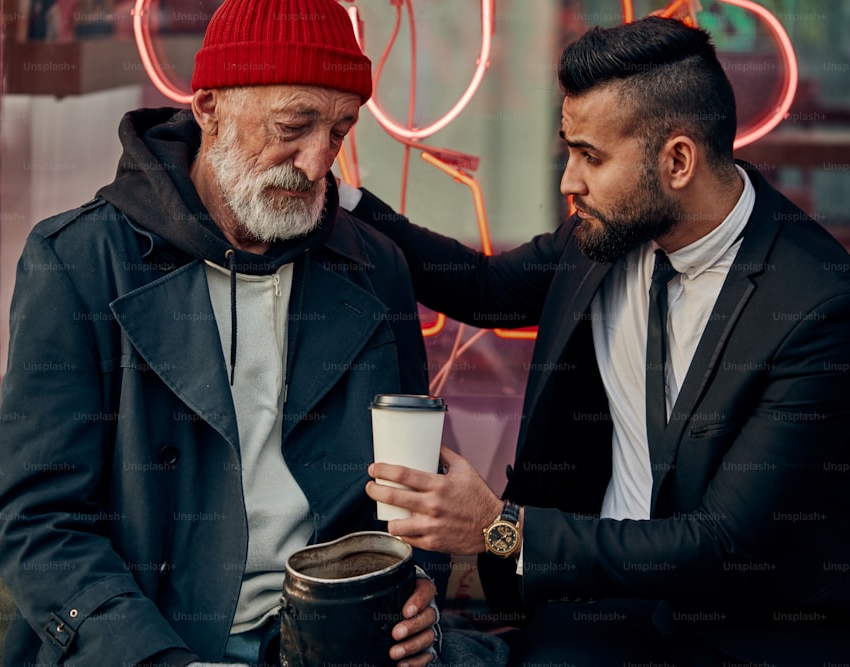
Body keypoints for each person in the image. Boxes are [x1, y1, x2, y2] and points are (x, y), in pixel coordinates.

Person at [343, 16, 850, 666]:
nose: (567, 182)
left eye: (591, 157)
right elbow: (482, 285)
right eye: (567, 151)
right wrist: (342, 198)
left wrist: (500, 527)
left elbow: (724, 546)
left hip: (743, 632)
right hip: (593, 603)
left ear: (677, 160)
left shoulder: (816, 306)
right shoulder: (604, 232)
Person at [0, 1, 471, 665]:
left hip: (340, 640)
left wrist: (416, 588)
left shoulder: (373, 266)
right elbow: (37, 524)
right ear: (208, 107)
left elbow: (414, 492)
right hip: (148, 641)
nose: (315, 161)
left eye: (339, 131)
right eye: (294, 125)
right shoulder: (78, 263)